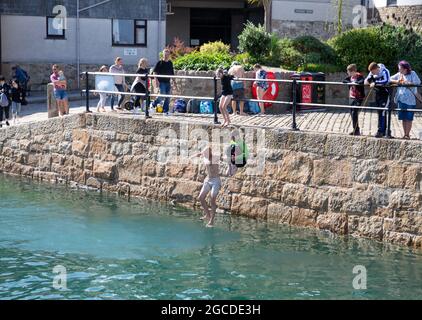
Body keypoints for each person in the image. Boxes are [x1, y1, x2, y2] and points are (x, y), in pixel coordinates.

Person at [390, 61, 421, 140]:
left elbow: (418, 82)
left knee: (409, 117)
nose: (399, 70)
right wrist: (398, 81)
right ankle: (405, 134)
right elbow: (390, 79)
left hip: (410, 99)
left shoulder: (412, 73)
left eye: (400, 68)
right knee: (403, 118)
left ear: (405, 68)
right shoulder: (399, 74)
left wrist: (408, 83)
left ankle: (407, 134)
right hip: (401, 99)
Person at [193, 146, 221, 228]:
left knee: (212, 199)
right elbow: (198, 154)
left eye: (206, 153)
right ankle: (207, 215)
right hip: (207, 180)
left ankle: (212, 221)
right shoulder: (204, 156)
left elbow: (224, 157)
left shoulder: (215, 157)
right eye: (204, 153)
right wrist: (195, 155)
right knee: (201, 197)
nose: (204, 155)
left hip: (216, 180)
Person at [365, 62, 391, 138]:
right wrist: (370, 81)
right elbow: (367, 80)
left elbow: (386, 81)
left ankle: (382, 131)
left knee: (383, 111)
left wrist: (375, 82)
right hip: (378, 94)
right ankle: (382, 130)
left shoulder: (385, 71)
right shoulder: (372, 72)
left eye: (373, 72)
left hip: (385, 94)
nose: (372, 73)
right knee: (379, 112)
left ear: (376, 69)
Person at [343, 64, 365, 136]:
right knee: (352, 113)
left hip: (358, 97)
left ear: (353, 71)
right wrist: (350, 82)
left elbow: (361, 82)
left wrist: (355, 83)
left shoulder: (359, 76)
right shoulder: (350, 77)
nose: (347, 73)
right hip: (351, 97)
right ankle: (355, 129)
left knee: (354, 112)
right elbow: (344, 81)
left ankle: (356, 130)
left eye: (348, 71)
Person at [152, 49, 175, 115]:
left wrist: (174, 82)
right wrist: (156, 81)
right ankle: (154, 104)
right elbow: (154, 72)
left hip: (168, 82)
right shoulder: (160, 62)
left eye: (167, 54)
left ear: (169, 55)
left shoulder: (170, 63)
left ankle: (165, 111)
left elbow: (172, 73)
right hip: (161, 82)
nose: (166, 56)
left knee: (167, 97)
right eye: (165, 54)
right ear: (163, 55)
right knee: (162, 95)